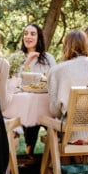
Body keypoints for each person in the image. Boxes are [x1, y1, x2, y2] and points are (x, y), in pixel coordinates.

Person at [47, 30, 88, 145]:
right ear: (86, 45)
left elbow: (55, 111)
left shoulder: (57, 70)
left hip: (76, 136)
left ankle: (61, 162)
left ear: (66, 46)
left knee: (49, 124)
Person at [16, 23, 57, 155]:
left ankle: (51, 156)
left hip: (45, 103)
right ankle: (29, 155)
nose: (28, 37)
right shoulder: (18, 58)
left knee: (48, 118)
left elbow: (54, 80)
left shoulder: (48, 58)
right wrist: (27, 63)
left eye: (32, 34)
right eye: (25, 34)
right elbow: (15, 81)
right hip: (25, 103)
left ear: (39, 37)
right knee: (30, 113)